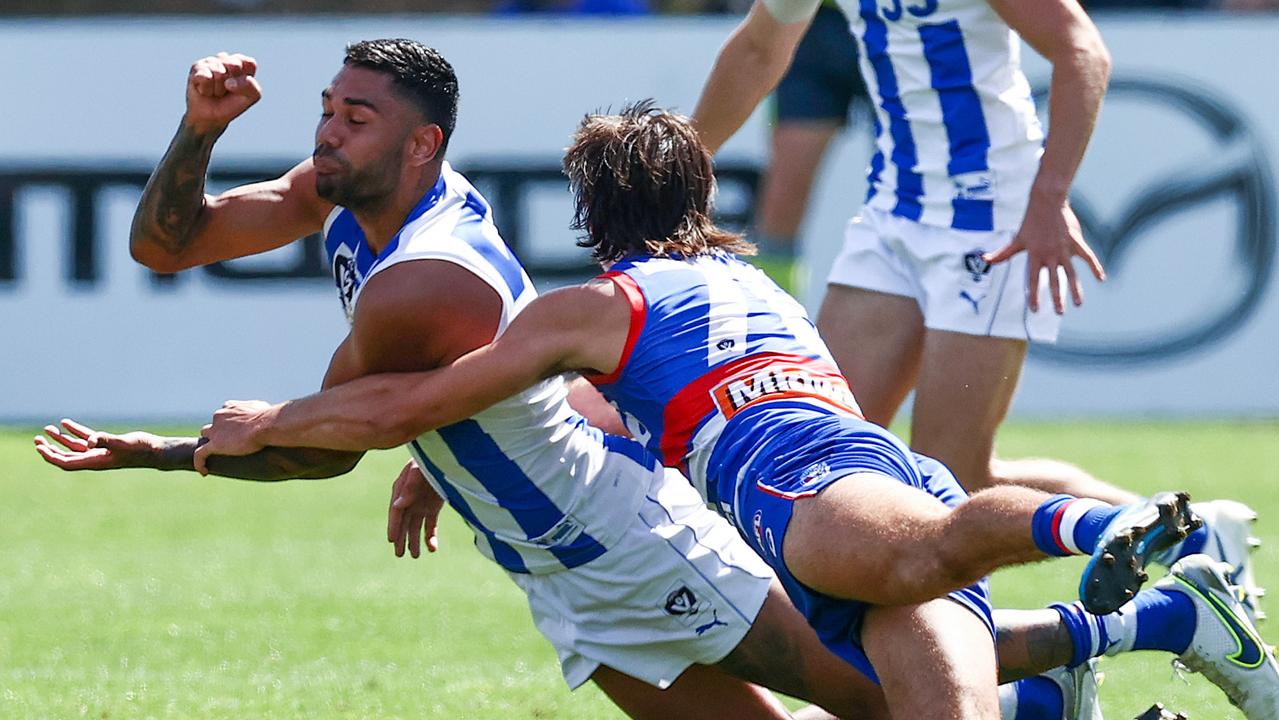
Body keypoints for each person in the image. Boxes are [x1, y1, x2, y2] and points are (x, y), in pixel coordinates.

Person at [189, 103, 1279, 719]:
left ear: (591, 214)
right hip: (846, 480)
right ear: (696, 204)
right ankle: (1158, 630)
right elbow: (549, 404)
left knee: (923, 561)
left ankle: (1115, 532)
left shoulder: (598, 306)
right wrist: (442, 454)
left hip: (804, 491)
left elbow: (441, 395)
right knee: (902, 697)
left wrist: (283, 424)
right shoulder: (747, 280)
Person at [34, 40, 897, 720]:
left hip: (618, 539)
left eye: (356, 117)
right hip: (549, 568)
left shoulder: (425, 277)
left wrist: (168, 454)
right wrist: (201, 127)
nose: (328, 131)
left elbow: (329, 445)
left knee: (873, 701)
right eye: (327, 110)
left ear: (422, 145)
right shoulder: (345, 192)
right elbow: (166, 246)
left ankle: (1041, 657)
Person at [690, 0, 1266, 622]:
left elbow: (1083, 49)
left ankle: (1197, 538)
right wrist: (680, 172)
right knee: (815, 446)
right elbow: (758, 48)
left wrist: (1049, 199)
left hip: (994, 221)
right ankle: (858, 673)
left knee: (957, 479)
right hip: (892, 216)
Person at [750, 1, 866, 292]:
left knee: (911, 179)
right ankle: (771, 320)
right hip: (811, 21)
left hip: (901, 21)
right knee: (783, 195)